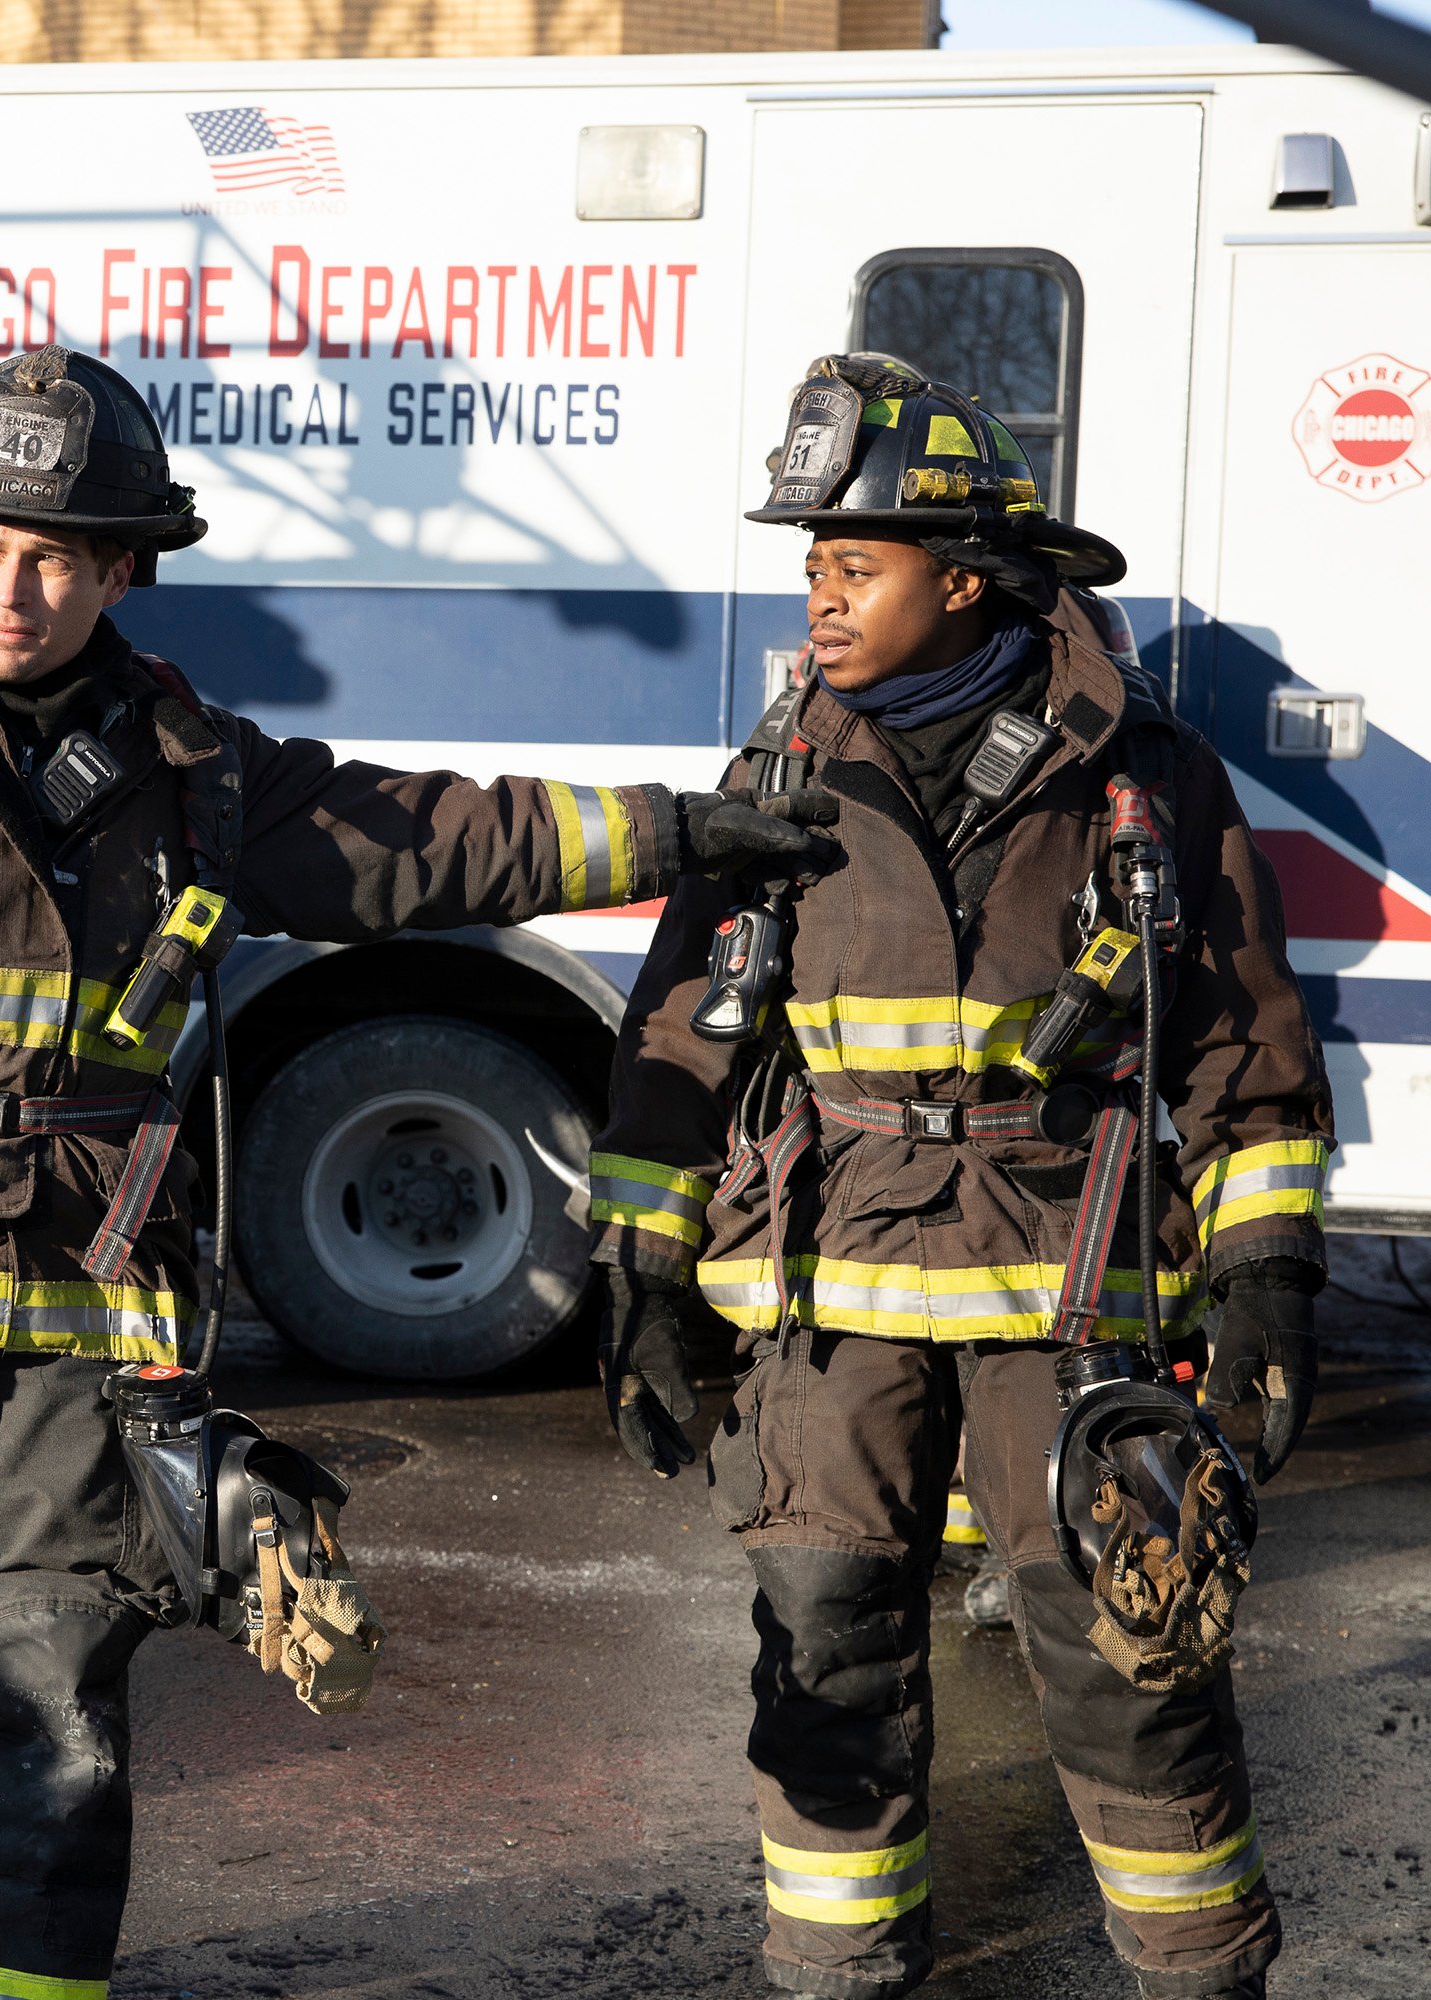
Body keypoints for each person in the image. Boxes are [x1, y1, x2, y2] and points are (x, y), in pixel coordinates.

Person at [0, 345, 826, 1999]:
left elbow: (427, 838)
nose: (12, 587)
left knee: (50, 1699)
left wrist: (679, 837)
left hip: (80, 1324)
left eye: (53, 555)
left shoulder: (194, 774)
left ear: (125, 567)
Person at [591, 353, 1327, 1999]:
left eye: (853, 566)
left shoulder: (1144, 783)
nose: (817, 599)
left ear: (968, 576)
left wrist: (1270, 1283)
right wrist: (638, 1279)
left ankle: (1201, 1974)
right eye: (811, 567)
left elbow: (1248, 1066)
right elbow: (680, 1046)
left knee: (1133, 1665)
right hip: (827, 1313)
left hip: (1071, 1308)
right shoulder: (777, 779)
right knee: (824, 1663)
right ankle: (840, 1980)